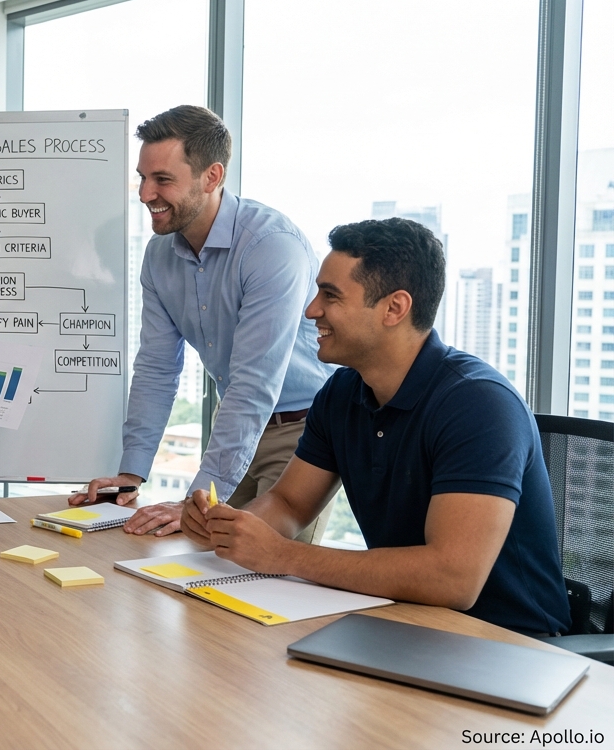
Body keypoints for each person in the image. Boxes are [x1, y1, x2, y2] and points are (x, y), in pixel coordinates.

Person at [181, 218, 570, 636]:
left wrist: (283, 556)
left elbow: (453, 579)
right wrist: (228, 528)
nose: (312, 310)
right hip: (404, 624)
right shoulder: (343, 391)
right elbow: (289, 505)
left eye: (330, 296)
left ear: (394, 308)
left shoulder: (479, 405)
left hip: (509, 645)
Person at [72, 105, 337, 541]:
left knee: (272, 579)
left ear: (211, 177)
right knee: (198, 564)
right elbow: (157, 368)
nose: (144, 194)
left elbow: (254, 383)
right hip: (234, 426)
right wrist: (130, 473)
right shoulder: (160, 256)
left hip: (304, 438)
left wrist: (192, 499)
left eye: (162, 180)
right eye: (142, 177)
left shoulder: (271, 248)